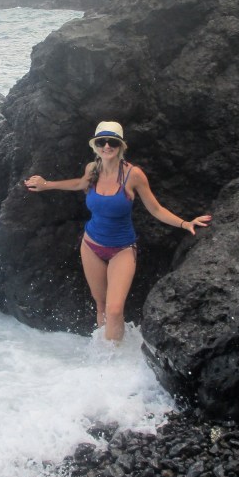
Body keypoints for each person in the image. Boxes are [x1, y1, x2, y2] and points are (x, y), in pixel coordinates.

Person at [24, 121, 211, 341]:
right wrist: (47, 184)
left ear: (120, 145)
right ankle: (104, 361)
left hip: (122, 248)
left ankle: (115, 360)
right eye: (101, 142)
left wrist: (185, 223)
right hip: (91, 245)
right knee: (101, 305)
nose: (106, 146)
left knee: (114, 310)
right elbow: (79, 184)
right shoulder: (92, 169)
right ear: (95, 145)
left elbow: (156, 209)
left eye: (112, 142)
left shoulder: (134, 175)